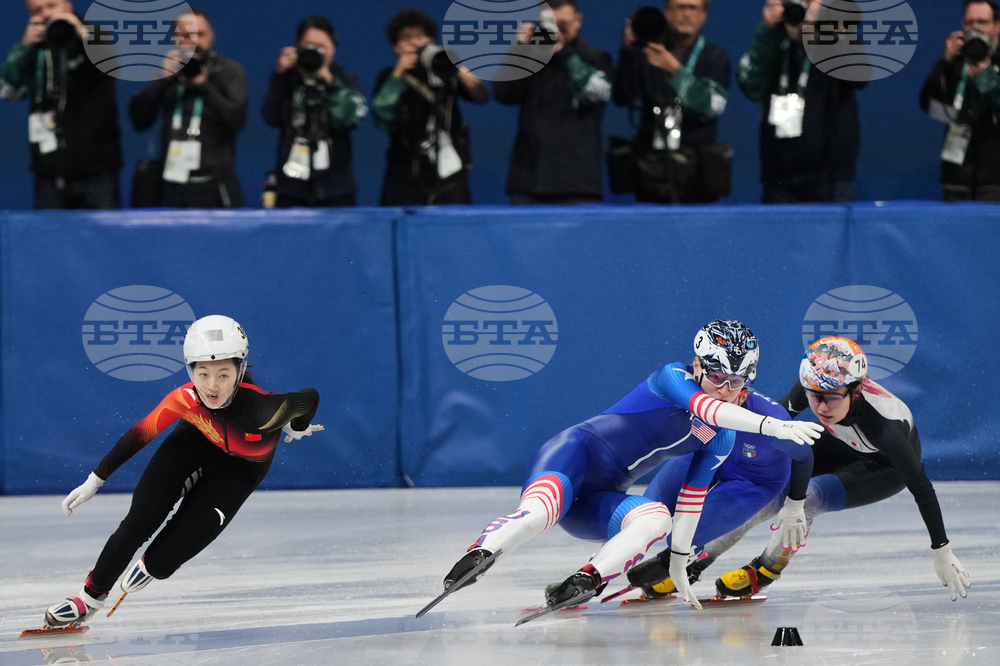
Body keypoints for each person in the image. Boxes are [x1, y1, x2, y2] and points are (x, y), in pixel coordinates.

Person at [434, 320, 823, 611]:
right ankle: (482, 554)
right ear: (697, 366)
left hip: (604, 496)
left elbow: (691, 500)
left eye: (736, 382)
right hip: (575, 457)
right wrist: (774, 425)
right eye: (717, 376)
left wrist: (678, 562)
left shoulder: (720, 437)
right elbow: (706, 408)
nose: (725, 389)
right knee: (539, 513)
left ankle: (588, 579)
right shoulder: (671, 378)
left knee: (657, 521)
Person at [42, 316, 323, 629]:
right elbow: (139, 434)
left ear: (240, 370)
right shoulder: (185, 399)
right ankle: (89, 599)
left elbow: (309, 397)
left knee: (162, 562)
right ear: (191, 371)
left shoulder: (266, 410)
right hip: (192, 443)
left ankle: (154, 564)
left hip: (238, 472)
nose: (212, 385)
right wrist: (95, 480)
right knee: (138, 522)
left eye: (223, 374)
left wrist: (296, 424)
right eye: (202, 373)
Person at [644, 337, 972, 603]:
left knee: (808, 500)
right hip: (839, 443)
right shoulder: (814, 387)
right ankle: (698, 558)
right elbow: (767, 428)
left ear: (856, 390)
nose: (821, 407)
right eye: (814, 397)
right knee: (770, 485)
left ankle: (767, 566)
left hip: (882, 469)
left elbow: (922, 487)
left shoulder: (885, 428)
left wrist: (941, 549)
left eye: (831, 398)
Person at [624, 372, 813, 599]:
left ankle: (690, 558)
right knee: (641, 514)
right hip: (708, 457)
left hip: (754, 480)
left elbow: (805, 457)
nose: (719, 407)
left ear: (742, 397)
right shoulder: (696, 399)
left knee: (681, 536)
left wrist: (794, 507)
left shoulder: (772, 419)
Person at [738, 0, 865, 203]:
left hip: (830, 177)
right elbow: (751, 86)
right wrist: (766, 30)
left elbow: (859, 77)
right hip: (779, 178)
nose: (799, 21)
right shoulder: (774, 40)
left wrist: (825, 32)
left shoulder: (834, 35)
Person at [0, 0, 122, 209]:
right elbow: (8, 92)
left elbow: (111, 67)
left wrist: (78, 30)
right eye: (37, 11)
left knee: (103, 240)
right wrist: (23, 48)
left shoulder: (93, 35)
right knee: (49, 240)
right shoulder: (34, 47)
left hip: (97, 173)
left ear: (67, 6)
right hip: (48, 173)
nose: (46, 14)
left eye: (51, 6)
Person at [494, 0, 613, 205]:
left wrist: (563, 52)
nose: (557, 31)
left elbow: (597, 94)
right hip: (529, 179)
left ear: (578, 20)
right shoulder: (530, 59)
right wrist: (519, 51)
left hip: (576, 182)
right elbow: (504, 95)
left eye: (563, 25)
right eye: (551, 24)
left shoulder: (595, 58)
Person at [612, 0, 731, 203]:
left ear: (704, 15)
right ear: (667, 13)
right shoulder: (647, 54)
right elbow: (623, 98)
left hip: (697, 173)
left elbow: (710, 105)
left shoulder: (715, 57)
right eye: (680, 7)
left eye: (693, 8)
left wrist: (675, 71)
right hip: (652, 171)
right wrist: (628, 52)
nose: (686, 14)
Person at [129, 8, 249, 208]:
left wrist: (204, 87)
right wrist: (161, 79)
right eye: (186, 36)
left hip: (214, 185)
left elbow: (236, 121)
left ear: (211, 36)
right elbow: (139, 120)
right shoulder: (168, 72)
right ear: (175, 39)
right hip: (172, 185)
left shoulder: (229, 72)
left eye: (200, 35)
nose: (194, 42)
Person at [372, 8, 489, 206]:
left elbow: (481, 96)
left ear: (432, 40)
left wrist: (456, 66)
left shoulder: (447, 72)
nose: (415, 42)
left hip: (449, 171)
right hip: (405, 173)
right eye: (406, 38)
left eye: (420, 36)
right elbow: (383, 118)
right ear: (395, 47)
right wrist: (399, 75)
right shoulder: (389, 77)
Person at [262, 16, 368, 207]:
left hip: (336, 189)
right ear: (297, 47)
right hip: (291, 189)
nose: (316, 51)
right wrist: (279, 76)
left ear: (333, 49)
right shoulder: (287, 78)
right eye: (309, 45)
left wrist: (330, 83)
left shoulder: (345, 80)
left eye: (322, 46)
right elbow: (271, 116)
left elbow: (348, 120)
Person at [920, 0, 1000, 202]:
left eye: (982, 22)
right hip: (957, 178)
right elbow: (928, 104)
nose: (975, 28)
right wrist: (945, 62)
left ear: (996, 26)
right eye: (969, 22)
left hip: (994, 180)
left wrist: (986, 78)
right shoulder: (955, 62)